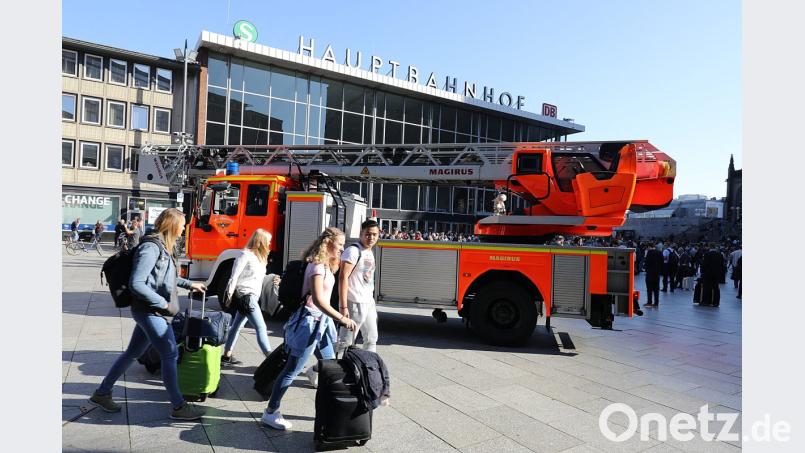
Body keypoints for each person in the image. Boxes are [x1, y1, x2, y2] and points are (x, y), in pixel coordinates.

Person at [90, 208, 207, 420]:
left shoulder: (164, 247)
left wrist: (191, 285)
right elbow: (137, 283)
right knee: (170, 354)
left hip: (150, 311)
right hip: (151, 311)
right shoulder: (151, 248)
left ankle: (102, 393)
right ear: (172, 225)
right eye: (182, 225)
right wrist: (162, 303)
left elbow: (167, 277)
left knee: (132, 353)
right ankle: (179, 407)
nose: (183, 229)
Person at [261, 227, 357, 430]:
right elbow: (319, 301)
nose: (342, 248)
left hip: (321, 324)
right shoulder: (317, 266)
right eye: (340, 244)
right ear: (329, 243)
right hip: (309, 324)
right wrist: (342, 318)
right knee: (291, 370)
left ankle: (330, 408)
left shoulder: (326, 265)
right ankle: (270, 412)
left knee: (330, 366)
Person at [221, 229, 274, 365]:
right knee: (261, 327)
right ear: (261, 241)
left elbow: (258, 278)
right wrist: (228, 296)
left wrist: (274, 278)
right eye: (268, 240)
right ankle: (271, 359)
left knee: (236, 326)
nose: (270, 243)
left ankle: (226, 355)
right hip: (245, 296)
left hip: (252, 296)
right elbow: (234, 276)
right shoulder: (245, 254)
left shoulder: (260, 258)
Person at [336, 219, 380, 354]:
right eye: (368, 234)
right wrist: (343, 307)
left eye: (374, 235)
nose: (371, 237)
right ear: (361, 233)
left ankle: (369, 368)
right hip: (354, 302)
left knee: (372, 338)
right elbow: (343, 278)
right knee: (345, 342)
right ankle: (322, 370)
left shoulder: (369, 251)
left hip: (368, 302)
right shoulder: (353, 251)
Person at [643, 242, 663, 307]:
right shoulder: (659, 252)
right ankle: (656, 303)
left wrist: (645, 269)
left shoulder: (649, 253)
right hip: (657, 274)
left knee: (649, 289)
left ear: (649, 247)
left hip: (650, 274)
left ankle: (649, 302)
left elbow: (647, 263)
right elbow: (662, 262)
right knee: (656, 289)